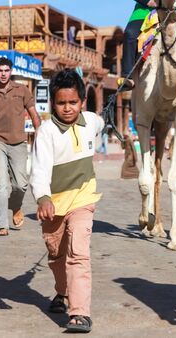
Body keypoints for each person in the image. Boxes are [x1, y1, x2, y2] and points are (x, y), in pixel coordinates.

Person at [30, 69, 104, 333]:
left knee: (78, 253)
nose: (68, 108)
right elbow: (38, 169)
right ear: (53, 103)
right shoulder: (47, 132)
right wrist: (43, 198)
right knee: (56, 255)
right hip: (54, 205)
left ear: (82, 102)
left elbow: (100, 123)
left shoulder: (91, 121)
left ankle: (80, 313)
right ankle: (61, 293)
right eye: (61, 103)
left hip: (84, 198)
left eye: (73, 102)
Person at [0, 57, 41, 236]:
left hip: (19, 142)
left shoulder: (22, 90)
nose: (3, 74)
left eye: (6, 70)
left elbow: (34, 114)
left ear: (11, 72)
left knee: (21, 184)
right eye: (0, 70)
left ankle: (15, 205)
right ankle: (1, 224)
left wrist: (41, 137)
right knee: (1, 184)